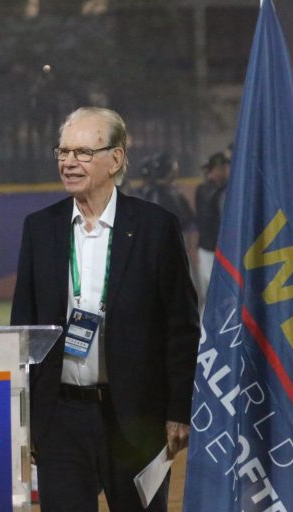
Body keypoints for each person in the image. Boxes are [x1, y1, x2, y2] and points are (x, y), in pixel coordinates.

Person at [11, 107, 199, 512]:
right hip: (59, 420)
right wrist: (24, 420)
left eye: (82, 152)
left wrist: (179, 410)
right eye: (62, 151)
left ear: (115, 159)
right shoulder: (40, 228)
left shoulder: (156, 227)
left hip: (135, 418)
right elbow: (22, 332)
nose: (68, 162)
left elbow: (181, 327)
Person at [194, 151, 230, 306]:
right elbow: (208, 210)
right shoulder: (203, 190)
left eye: (224, 168)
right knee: (210, 293)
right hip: (208, 248)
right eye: (220, 168)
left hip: (224, 248)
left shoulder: (226, 189)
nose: (224, 171)